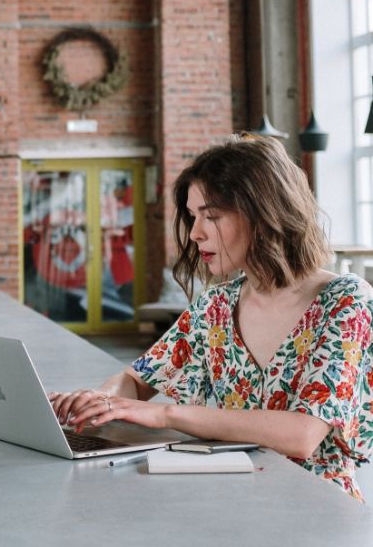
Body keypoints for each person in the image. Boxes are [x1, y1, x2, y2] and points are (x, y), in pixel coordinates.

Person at [49, 135, 373, 501]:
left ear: (263, 212)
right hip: (235, 499)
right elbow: (134, 379)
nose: (195, 232)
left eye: (212, 215)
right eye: (192, 216)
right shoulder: (216, 306)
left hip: (318, 510)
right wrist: (102, 401)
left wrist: (166, 415)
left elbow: (302, 434)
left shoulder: (345, 301)